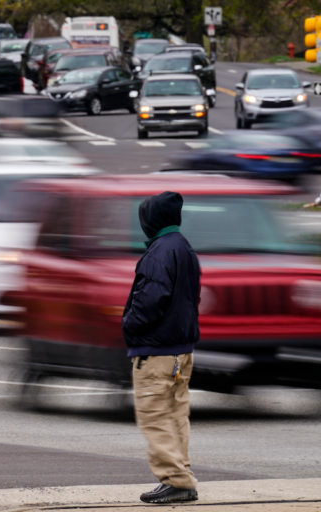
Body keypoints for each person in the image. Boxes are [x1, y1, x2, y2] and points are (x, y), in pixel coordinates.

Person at [121, 191, 201, 504]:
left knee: (154, 417)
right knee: (176, 416)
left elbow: (149, 302)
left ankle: (177, 480)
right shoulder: (184, 247)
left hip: (155, 351)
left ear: (150, 221)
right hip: (182, 349)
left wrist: (129, 324)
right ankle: (182, 476)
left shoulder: (158, 252)